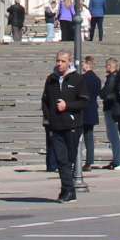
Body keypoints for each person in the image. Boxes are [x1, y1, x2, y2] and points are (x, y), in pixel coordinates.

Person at [40, 51, 86, 202]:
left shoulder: (78, 79)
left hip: (72, 125)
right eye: (58, 61)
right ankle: (67, 190)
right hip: (56, 125)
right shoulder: (51, 80)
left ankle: (68, 190)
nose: (59, 64)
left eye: (63, 61)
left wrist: (68, 106)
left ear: (69, 62)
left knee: (69, 159)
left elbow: (84, 101)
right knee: (61, 159)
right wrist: (48, 118)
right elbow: (45, 100)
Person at [78, 54, 105, 172]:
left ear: (88, 64)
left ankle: (77, 160)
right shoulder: (97, 79)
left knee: (78, 137)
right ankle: (89, 161)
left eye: (83, 63)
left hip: (82, 109)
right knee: (89, 137)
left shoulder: (82, 79)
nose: (82, 65)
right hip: (92, 109)